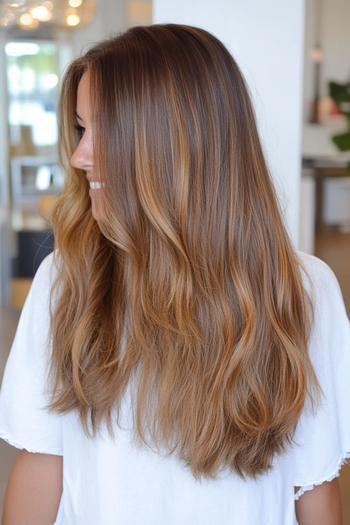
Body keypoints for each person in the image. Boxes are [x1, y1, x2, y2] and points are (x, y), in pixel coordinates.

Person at [0, 23, 349, 525]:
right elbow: (40, 467)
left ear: (179, 143)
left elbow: (314, 487)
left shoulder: (302, 290)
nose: (79, 156)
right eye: (81, 128)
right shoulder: (67, 281)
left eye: (104, 130)